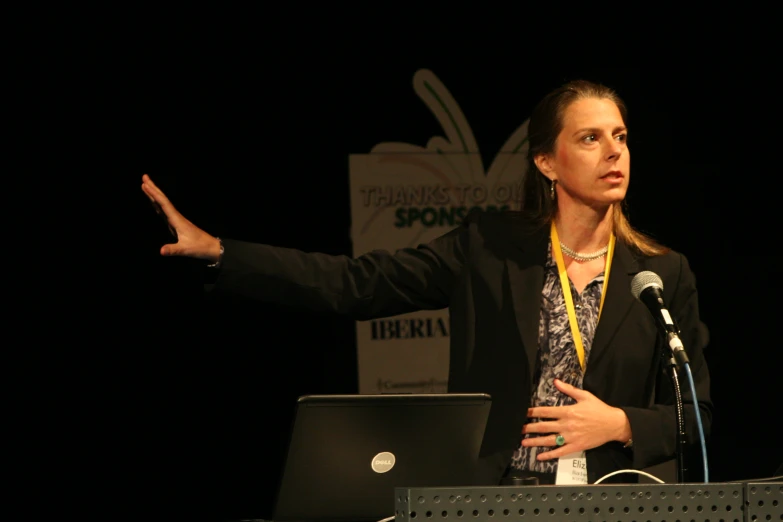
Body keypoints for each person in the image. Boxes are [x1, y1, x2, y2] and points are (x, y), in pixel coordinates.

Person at [141, 79, 712, 486]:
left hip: (615, 497)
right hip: (497, 494)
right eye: (590, 138)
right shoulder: (488, 248)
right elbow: (355, 283)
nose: (614, 151)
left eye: (621, 135)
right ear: (546, 161)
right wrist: (222, 252)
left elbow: (697, 413)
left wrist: (619, 423)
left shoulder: (660, 273)